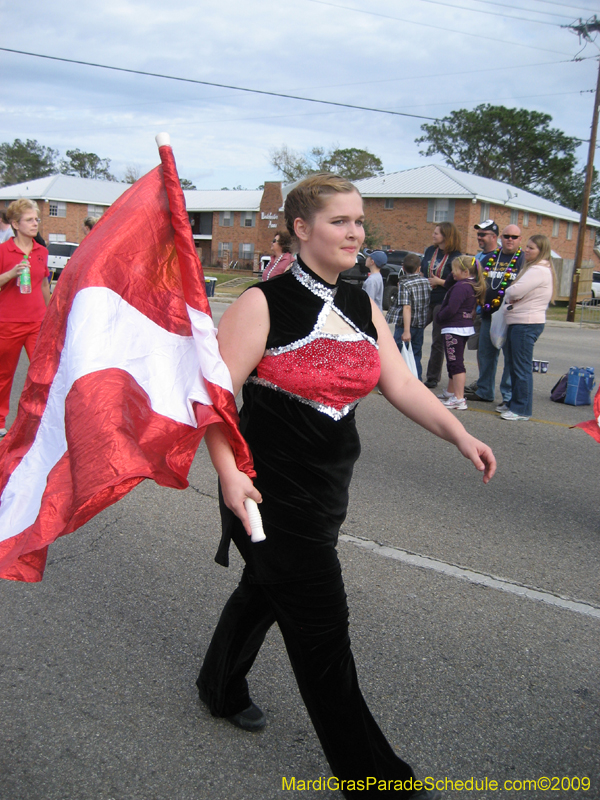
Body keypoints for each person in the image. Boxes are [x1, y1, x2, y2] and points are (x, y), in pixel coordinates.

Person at [196, 173, 496, 799]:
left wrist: (458, 434)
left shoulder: (362, 303)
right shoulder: (263, 301)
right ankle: (374, 777)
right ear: (301, 228)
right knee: (322, 631)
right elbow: (214, 399)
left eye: (359, 221)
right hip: (268, 493)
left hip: (329, 489)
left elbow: (404, 384)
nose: (355, 232)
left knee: (262, 591)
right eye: (339, 221)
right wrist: (228, 475)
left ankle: (219, 687)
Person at [0, 199, 51, 438]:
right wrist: (10, 274)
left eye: (36, 219)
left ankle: (41, 419)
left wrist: (53, 313)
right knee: (4, 375)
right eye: (29, 220)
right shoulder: (3, 251)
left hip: (37, 323)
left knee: (43, 373)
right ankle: (0, 421)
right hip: (8, 323)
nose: (35, 223)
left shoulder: (42, 251)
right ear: (15, 224)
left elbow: (43, 287)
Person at [465, 223, 524, 410]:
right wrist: (475, 306)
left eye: (514, 237)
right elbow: (480, 283)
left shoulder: (523, 259)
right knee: (485, 354)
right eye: (506, 236)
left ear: (519, 239)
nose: (509, 240)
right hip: (488, 314)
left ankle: (508, 396)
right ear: (500, 237)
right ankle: (484, 391)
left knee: (510, 358)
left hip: (510, 317)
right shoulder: (492, 258)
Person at [500, 234, 555, 422]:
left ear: (541, 251)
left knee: (521, 367)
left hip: (526, 323)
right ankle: (515, 403)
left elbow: (513, 290)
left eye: (532, 248)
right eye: (527, 247)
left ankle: (521, 409)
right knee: (516, 366)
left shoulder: (538, 270)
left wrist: (510, 291)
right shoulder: (535, 269)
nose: (527, 250)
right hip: (521, 321)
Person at [436, 257, 486, 410]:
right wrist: (456, 271)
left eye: (455, 270)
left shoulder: (460, 287)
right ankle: (452, 392)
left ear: (465, 271)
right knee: (453, 361)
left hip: (454, 327)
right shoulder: (468, 284)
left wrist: (440, 316)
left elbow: (452, 308)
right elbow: (450, 281)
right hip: (461, 327)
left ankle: (459, 398)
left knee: (456, 363)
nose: (451, 273)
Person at [421, 222, 462, 389]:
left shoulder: (456, 256)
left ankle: (432, 377)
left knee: (437, 341)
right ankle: (408, 369)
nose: (433, 235)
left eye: (437, 233)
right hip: (425, 298)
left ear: (446, 235)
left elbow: (459, 282)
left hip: (442, 300)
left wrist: (440, 282)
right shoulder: (431, 251)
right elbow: (423, 269)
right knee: (411, 331)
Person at [386, 253, 430, 380]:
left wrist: (406, 331)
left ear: (403, 268)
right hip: (420, 324)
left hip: (406, 325)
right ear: (419, 268)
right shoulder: (425, 282)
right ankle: (417, 379)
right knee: (415, 354)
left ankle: (397, 381)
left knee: (398, 354)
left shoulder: (404, 284)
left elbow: (407, 307)